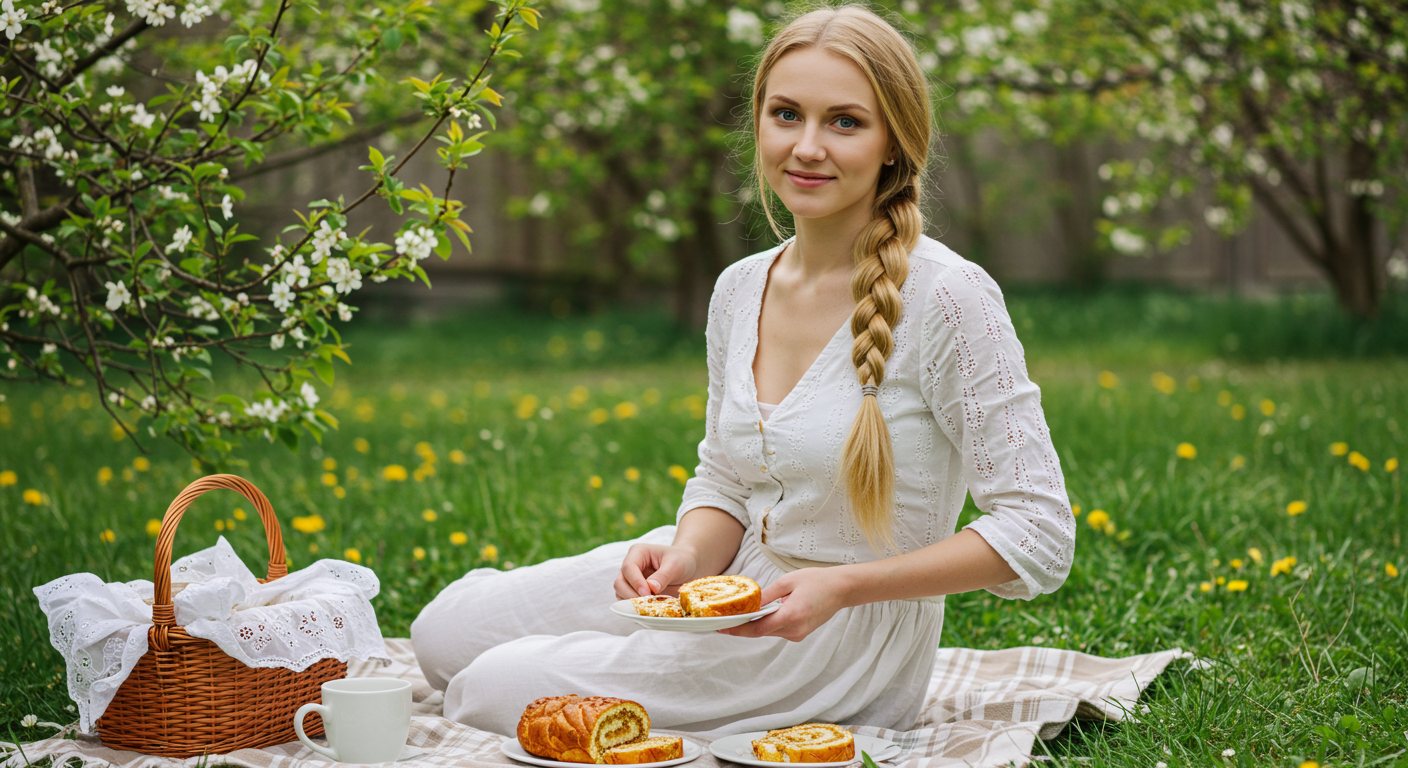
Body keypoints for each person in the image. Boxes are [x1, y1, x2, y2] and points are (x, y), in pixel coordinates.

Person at [411, 4, 1074, 738]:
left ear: (894, 143)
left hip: (834, 640)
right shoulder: (740, 288)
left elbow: (1038, 531)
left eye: (845, 122)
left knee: (491, 689)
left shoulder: (949, 297)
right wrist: (687, 555)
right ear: (757, 122)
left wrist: (842, 586)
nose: (807, 147)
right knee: (442, 634)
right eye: (786, 114)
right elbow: (726, 479)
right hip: (734, 579)